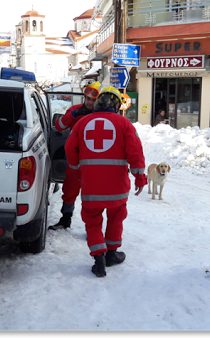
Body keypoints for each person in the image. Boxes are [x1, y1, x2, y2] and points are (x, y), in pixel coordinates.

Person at [65, 86, 147, 277]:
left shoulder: (82, 123)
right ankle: (111, 254)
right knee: (116, 218)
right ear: (117, 104)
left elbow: (70, 149)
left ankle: (98, 258)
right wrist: (140, 177)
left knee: (92, 222)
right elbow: (136, 152)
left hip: (90, 185)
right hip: (117, 187)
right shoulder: (124, 124)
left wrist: (77, 171)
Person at [49, 81, 101, 230]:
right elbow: (59, 126)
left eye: (93, 100)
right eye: (88, 99)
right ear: (84, 98)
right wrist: (73, 115)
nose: (90, 102)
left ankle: (93, 227)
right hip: (75, 159)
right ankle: (66, 219)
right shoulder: (75, 110)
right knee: (70, 190)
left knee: (92, 194)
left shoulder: (102, 115)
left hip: (94, 161)